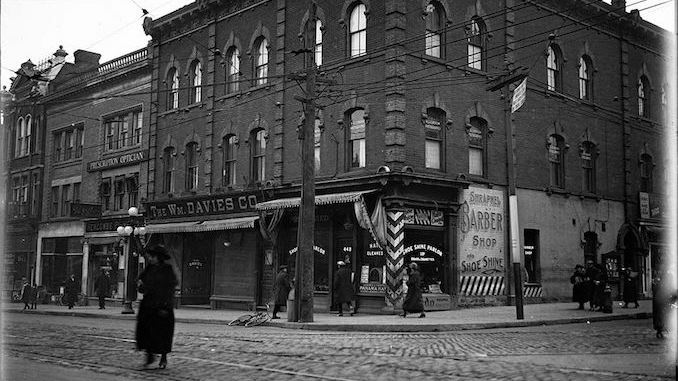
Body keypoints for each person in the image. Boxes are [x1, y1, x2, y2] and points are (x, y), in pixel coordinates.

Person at [136, 245, 178, 369]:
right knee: (147, 332)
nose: (149, 258)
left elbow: (170, 288)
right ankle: (149, 357)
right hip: (148, 306)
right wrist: (141, 285)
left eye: (152, 256)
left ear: (158, 257)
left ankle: (163, 357)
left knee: (162, 332)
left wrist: (165, 306)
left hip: (162, 305)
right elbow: (142, 286)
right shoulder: (149, 269)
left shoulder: (167, 269)